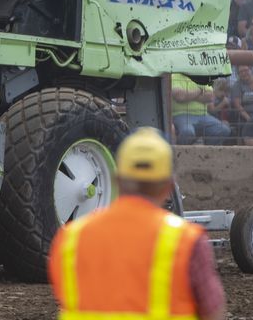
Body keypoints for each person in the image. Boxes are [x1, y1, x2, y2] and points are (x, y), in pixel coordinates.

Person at [49, 127, 226, 320]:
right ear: (167, 187)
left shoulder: (71, 238)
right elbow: (212, 312)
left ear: (117, 180)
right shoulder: (187, 242)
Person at [171, 73, 230, 144]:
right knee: (187, 132)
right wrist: (200, 90)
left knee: (224, 130)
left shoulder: (202, 76)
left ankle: (206, 153)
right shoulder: (175, 76)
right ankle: (181, 153)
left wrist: (187, 96)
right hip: (181, 115)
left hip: (203, 115)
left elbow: (210, 96)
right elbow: (180, 96)